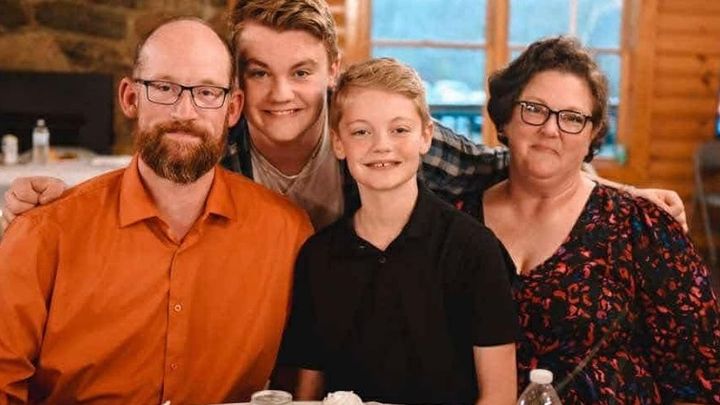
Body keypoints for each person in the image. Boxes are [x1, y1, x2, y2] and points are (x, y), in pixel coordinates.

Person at [3, 0, 688, 232]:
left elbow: (508, 164)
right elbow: (152, 176)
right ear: (236, 86)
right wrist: (60, 195)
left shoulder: (373, 137)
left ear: (332, 70)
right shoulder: (219, 140)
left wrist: (622, 192)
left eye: (301, 72)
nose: (281, 95)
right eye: (259, 73)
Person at [0, 18, 313, 404]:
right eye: (164, 88)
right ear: (131, 98)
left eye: (206, 92)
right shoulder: (44, 232)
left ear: (232, 109)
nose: (185, 111)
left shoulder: (287, 234)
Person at [477, 36, 720, 404]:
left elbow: (703, 373)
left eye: (572, 118)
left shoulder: (642, 226)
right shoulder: (456, 221)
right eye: (534, 109)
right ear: (506, 117)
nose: (551, 129)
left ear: (592, 134)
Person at [277, 58, 518, 404]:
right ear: (339, 143)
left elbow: (499, 395)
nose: (382, 145)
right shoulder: (318, 257)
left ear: (426, 136)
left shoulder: (474, 249)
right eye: (361, 132)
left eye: (399, 130)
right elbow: (308, 393)